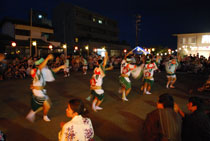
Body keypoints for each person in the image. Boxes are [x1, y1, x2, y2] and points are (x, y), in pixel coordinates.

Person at [26, 54, 65, 122]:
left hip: (40, 90)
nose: (46, 64)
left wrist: (60, 67)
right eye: (44, 63)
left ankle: (33, 113)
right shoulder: (36, 70)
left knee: (47, 104)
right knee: (47, 105)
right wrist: (47, 58)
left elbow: (52, 71)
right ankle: (40, 115)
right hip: (38, 91)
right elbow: (41, 67)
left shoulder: (42, 70)